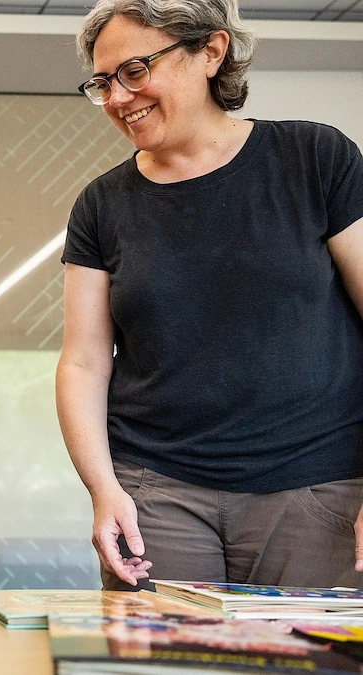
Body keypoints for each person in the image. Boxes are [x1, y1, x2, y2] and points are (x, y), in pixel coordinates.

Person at [56, 0, 363, 590]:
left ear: (211, 53)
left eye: (135, 70)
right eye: (103, 82)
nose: (118, 97)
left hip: (316, 485)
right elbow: (83, 361)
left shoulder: (315, 160)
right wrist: (103, 489)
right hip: (157, 494)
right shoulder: (101, 205)